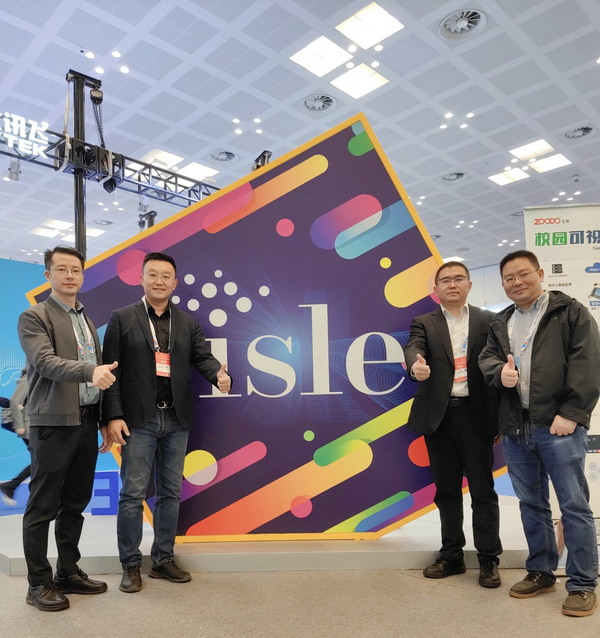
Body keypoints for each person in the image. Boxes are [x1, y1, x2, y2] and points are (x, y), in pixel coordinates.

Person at [101, 251, 231, 594]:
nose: (159, 281)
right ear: (141, 279)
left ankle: (162, 559)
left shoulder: (187, 323)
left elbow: (202, 357)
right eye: (153, 274)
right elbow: (110, 372)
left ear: (174, 283)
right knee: (132, 495)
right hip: (137, 420)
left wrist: (219, 375)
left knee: (170, 493)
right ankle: (131, 564)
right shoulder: (122, 318)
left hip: (176, 418)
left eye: (165, 276)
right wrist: (112, 415)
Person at [479, 249, 599, 618]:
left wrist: (571, 413)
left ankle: (582, 584)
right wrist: (499, 372)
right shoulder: (502, 321)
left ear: (540, 273)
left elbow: (587, 363)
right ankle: (541, 572)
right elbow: (487, 358)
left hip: (558, 425)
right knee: (531, 505)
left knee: (573, 506)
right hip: (516, 427)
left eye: (523, 274)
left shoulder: (570, 312)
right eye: (509, 278)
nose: (516, 282)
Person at [17, 245, 118, 612]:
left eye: (76, 269)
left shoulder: (85, 318)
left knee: (75, 503)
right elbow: (45, 362)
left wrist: (104, 420)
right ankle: (38, 583)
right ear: (48, 275)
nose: (70, 275)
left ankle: (67, 572)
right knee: (43, 506)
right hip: (52, 423)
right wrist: (89, 371)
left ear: (83, 275)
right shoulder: (34, 316)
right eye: (62, 269)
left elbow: (100, 375)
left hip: (86, 420)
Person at [405, 261, 502, 588]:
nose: (452, 284)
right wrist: (415, 367)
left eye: (459, 278)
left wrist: (499, 418)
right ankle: (452, 556)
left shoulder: (489, 320)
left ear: (469, 285)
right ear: (436, 289)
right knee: (446, 491)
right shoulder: (424, 322)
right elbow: (414, 348)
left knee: (483, 491)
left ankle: (488, 559)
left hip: (477, 415)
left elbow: (498, 364)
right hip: (440, 416)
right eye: (445, 280)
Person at [0, 369, 31, 506]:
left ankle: (11, 486)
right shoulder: (29, 377)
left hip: (31, 424)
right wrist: (10, 405)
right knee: (42, 460)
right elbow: (13, 401)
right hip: (27, 425)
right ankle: (11, 486)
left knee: (41, 461)